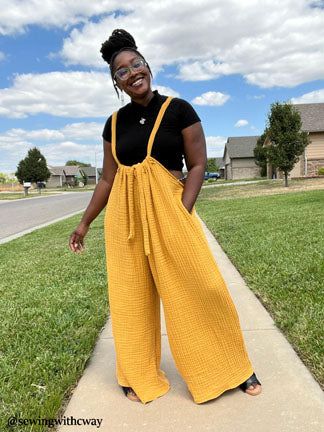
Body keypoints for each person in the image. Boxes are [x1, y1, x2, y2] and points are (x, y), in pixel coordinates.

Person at [69, 29, 262, 404]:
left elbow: (198, 163)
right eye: (121, 71)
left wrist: (182, 208)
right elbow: (108, 178)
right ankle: (137, 372)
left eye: (136, 64)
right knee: (131, 297)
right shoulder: (112, 124)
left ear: (147, 66)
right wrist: (84, 222)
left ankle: (231, 367)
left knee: (200, 287)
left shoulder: (179, 109)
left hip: (171, 210)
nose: (132, 73)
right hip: (126, 218)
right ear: (116, 82)